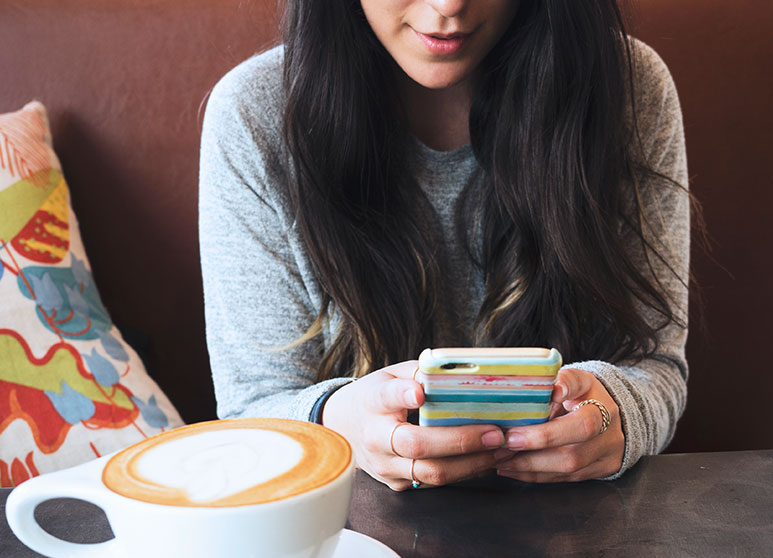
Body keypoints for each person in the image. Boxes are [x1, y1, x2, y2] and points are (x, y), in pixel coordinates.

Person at [198, 0, 690, 491]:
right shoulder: (254, 115)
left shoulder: (626, 88)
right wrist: (336, 422)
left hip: (577, 539)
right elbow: (252, 413)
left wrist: (617, 414)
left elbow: (658, 364)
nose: (448, 4)